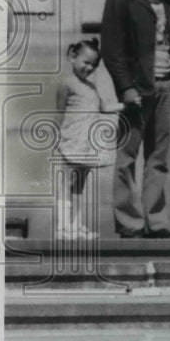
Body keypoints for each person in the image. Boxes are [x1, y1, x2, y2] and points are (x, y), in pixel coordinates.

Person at [100, 0, 170, 238]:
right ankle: (129, 223)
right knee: (127, 156)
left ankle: (156, 223)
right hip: (136, 89)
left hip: (164, 86)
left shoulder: (168, 0)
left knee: (158, 159)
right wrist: (125, 87)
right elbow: (112, 49)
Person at [55, 38, 122, 239]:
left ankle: (76, 225)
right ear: (72, 57)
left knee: (80, 185)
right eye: (86, 62)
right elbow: (59, 112)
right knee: (66, 183)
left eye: (93, 65)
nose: (89, 67)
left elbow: (104, 108)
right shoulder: (67, 83)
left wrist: (126, 106)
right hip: (71, 140)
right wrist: (57, 139)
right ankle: (63, 226)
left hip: (86, 143)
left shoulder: (92, 87)